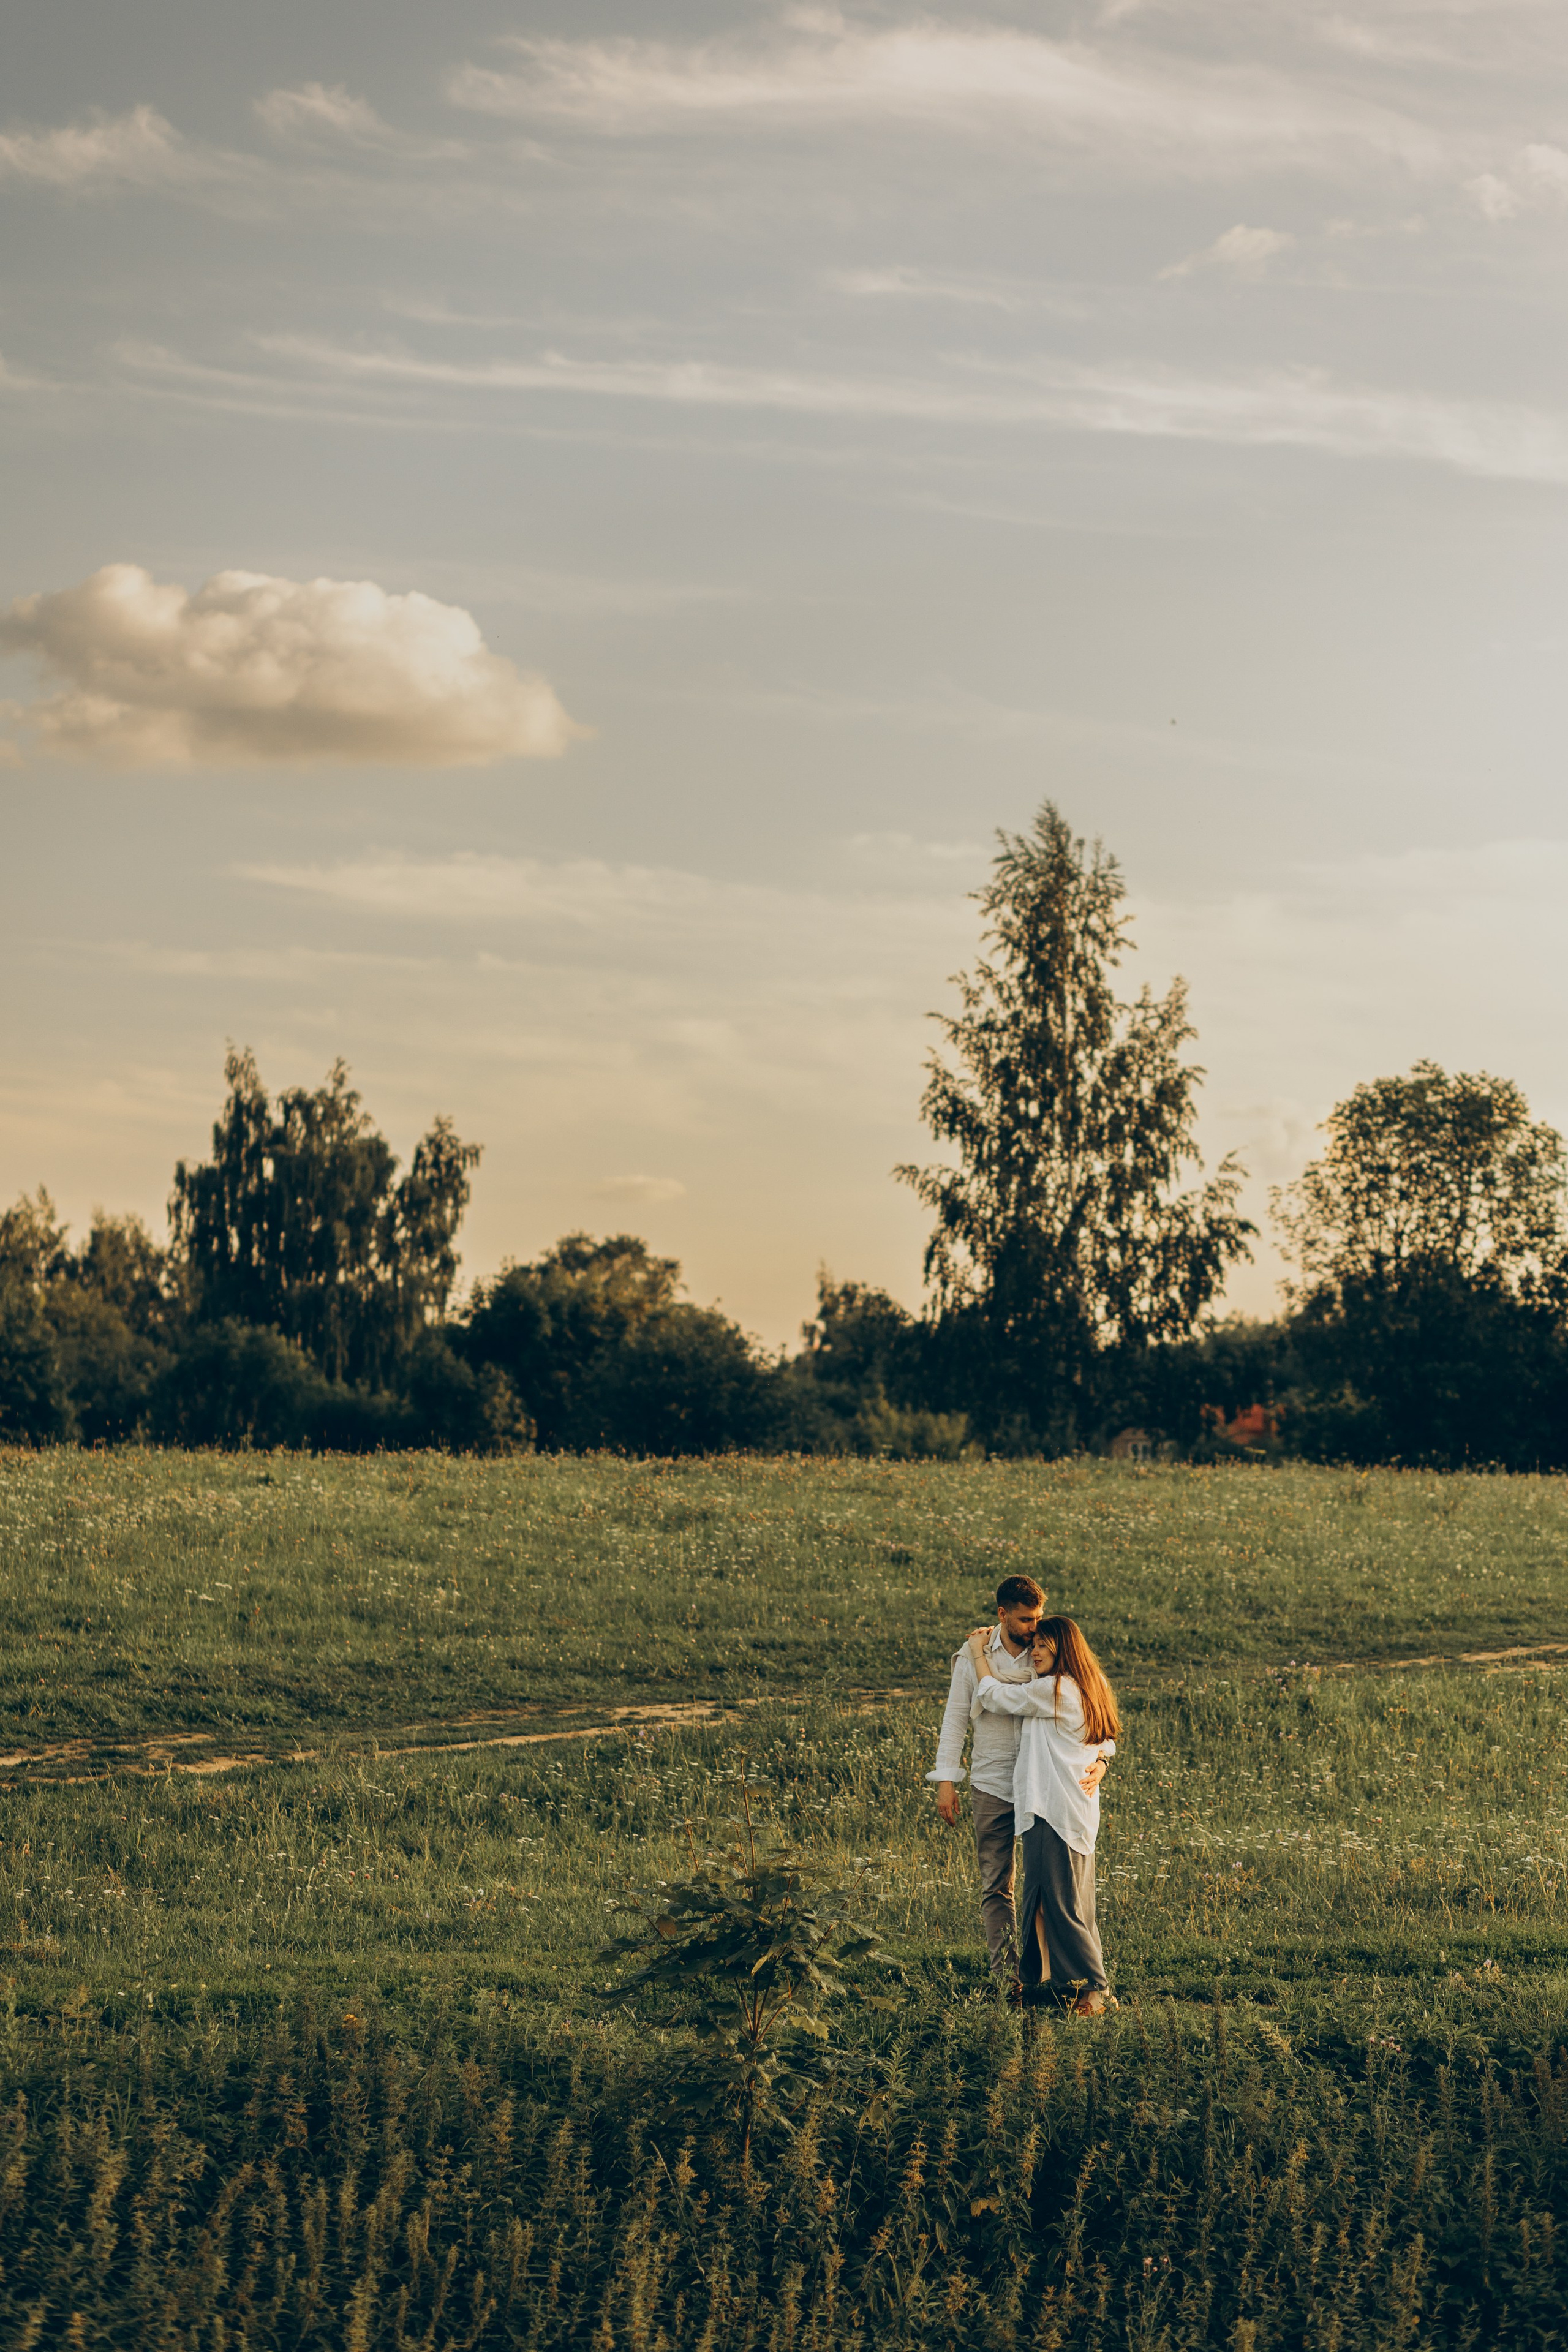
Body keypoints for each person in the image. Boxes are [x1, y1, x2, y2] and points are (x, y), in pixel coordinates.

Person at [929, 1575, 1106, 1999]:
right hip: (992, 1782)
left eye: (1039, 1618)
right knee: (997, 1885)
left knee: (1047, 1888)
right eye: (1026, 1619)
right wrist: (946, 1780)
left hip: (1042, 1788)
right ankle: (1008, 1979)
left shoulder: (1048, 1653)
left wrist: (1102, 1758)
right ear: (1002, 1614)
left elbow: (1089, 1705)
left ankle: (1047, 1977)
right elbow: (955, 1720)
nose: (1034, 1628)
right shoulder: (972, 1656)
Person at [967, 1613, 1120, 2015]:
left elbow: (992, 1696)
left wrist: (978, 1653)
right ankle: (1068, 1982)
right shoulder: (1093, 1683)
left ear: (1062, 1648)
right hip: (1072, 1809)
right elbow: (1107, 1738)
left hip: (1052, 1810)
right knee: (1068, 1901)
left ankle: (1095, 1989)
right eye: (1033, 1644)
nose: (1034, 1652)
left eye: (1042, 1645)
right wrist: (1103, 1761)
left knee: (1061, 1903)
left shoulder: (1055, 1690)